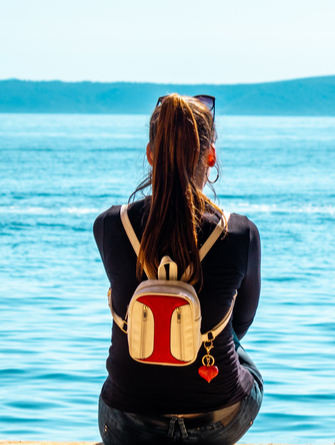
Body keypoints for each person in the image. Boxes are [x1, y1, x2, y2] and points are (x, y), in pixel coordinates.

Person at [94, 94, 263, 445]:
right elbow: (242, 323)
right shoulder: (239, 234)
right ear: (211, 155)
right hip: (219, 418)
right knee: (229, 333)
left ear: (150, 154)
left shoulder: (110, 226)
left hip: (127, 421)